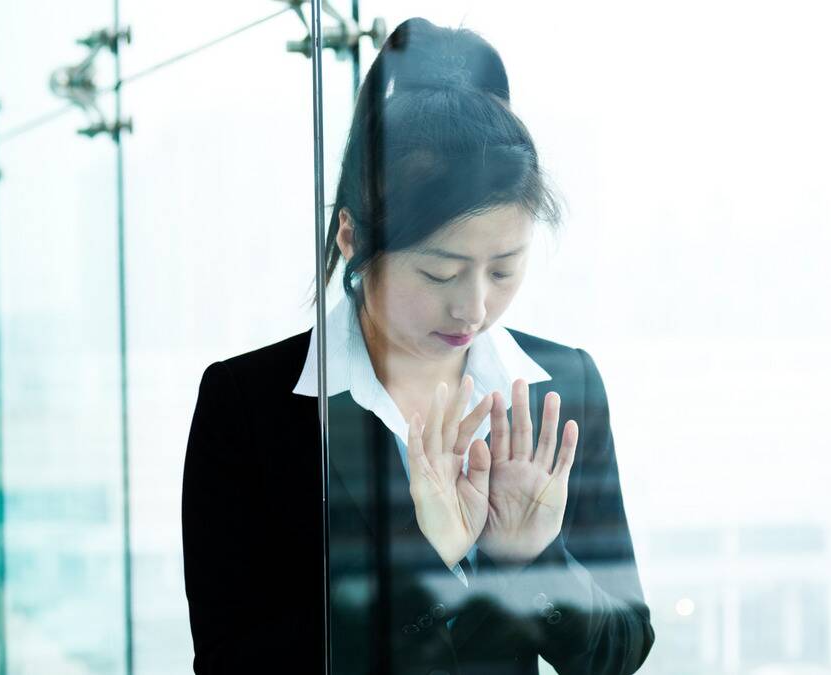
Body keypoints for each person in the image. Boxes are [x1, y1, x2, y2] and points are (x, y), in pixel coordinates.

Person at [182, 17, 655, 675]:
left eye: (504, 268)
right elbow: (232, 661)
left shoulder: (561, 385)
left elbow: (623, 647)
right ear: (351, 238)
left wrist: (534, 558)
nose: (474, 307)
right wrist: (422, 564)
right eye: (439, 272)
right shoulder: (250, 405)